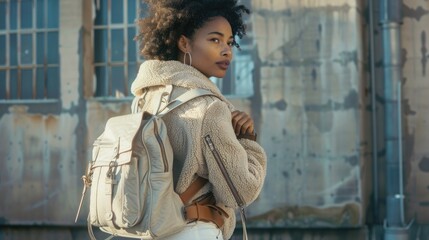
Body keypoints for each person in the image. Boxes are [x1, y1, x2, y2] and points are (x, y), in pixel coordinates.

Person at [131, 0, 267, 239]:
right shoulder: (209, 108)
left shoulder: (144, 98)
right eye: (215, 40)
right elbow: (240, 193)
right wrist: (248, 142)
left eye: (229, 41)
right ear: (184, 43)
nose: (226, 50)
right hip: (193, 229)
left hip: (150, 228)